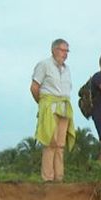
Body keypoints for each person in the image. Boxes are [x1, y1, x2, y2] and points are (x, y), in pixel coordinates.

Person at [30, 38, 76, 181]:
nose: (65, 54)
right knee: (50, 142)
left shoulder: (67, 69)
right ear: (54, 50)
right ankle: (48, 178)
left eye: (67, 51)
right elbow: (34, 87)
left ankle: (59, 178)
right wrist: (42, 104)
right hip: (49, 105)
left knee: (60, 145)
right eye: (62, 50)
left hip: (63, 107)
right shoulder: (44, 65)